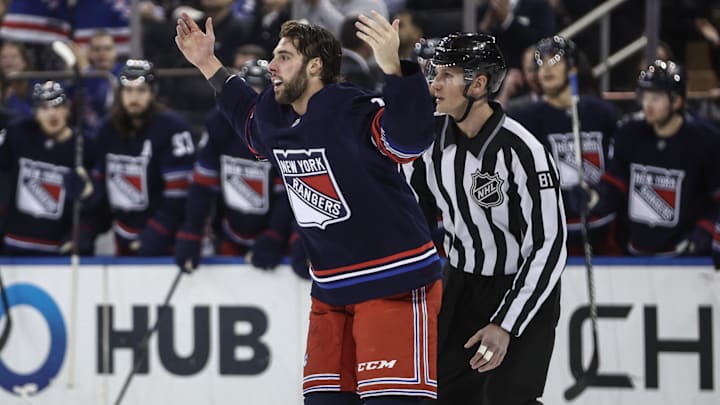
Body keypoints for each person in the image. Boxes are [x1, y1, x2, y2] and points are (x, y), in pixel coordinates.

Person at [175, 11, 442, 404]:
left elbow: (409, 140)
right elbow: (246, 117)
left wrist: (394, 69)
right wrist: (207, 63)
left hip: (395, 284)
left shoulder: (353, 109)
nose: (271, 65)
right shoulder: (276, 118)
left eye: (283, 56)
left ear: (315, 65)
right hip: (331, 293)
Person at [405, 33, 567, 404]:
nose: (435, 84)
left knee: (507, 400)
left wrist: (506, 323)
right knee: (442, 395)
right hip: (461, 284)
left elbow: (549, 245)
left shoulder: (523, 150)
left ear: (478, 84)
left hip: (521, 290)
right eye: (434, 73)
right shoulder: (430, 143)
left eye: (446, 75)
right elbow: (415, 218)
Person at [584, 60, 720, 256]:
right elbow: (615, 183)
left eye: (655, 98)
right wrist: (592, 197)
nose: (647, 105)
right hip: (635, 255)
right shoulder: (630, 134)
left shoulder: (705, 140)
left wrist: (706, 228)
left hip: (684, 260)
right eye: (644, 97)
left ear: (677, 101)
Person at [174, 58, 294, 271]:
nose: (252, 104)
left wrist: (275, 234)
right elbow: (203, 184)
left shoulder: (285, 129)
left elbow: (290, 193)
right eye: (248, 93)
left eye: (260, 94)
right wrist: (192, 230)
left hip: (274, 237)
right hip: (229, 232)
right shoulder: (219, 123)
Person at [511, 36, 621, 256]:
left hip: (601, 230)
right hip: (551, 236)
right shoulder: (525, 119)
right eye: (540, 63)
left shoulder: (601, 113)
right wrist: (560, 196)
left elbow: (618, 165)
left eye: (554, 61)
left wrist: (600, 193)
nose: (545, 69)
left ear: (572, 69)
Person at [87, 59, 196, 256]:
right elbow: (101, 184)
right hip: (122, 236)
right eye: (128, 91)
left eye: (141, 91)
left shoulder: (173, 128)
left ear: (153, 93)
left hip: (167, 241)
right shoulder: (106, 129)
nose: (134, 98)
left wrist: (158, 231)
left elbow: (180, 192)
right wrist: (87, 227)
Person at [0, 81, 95, 255]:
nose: (52, 113)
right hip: (14, 245)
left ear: (67, 109)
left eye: (58, 106)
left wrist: (87, 201)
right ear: (35, 113)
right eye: (44, 108)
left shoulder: (84, 146)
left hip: (58, 252)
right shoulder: (17, 135)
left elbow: (96, 204)